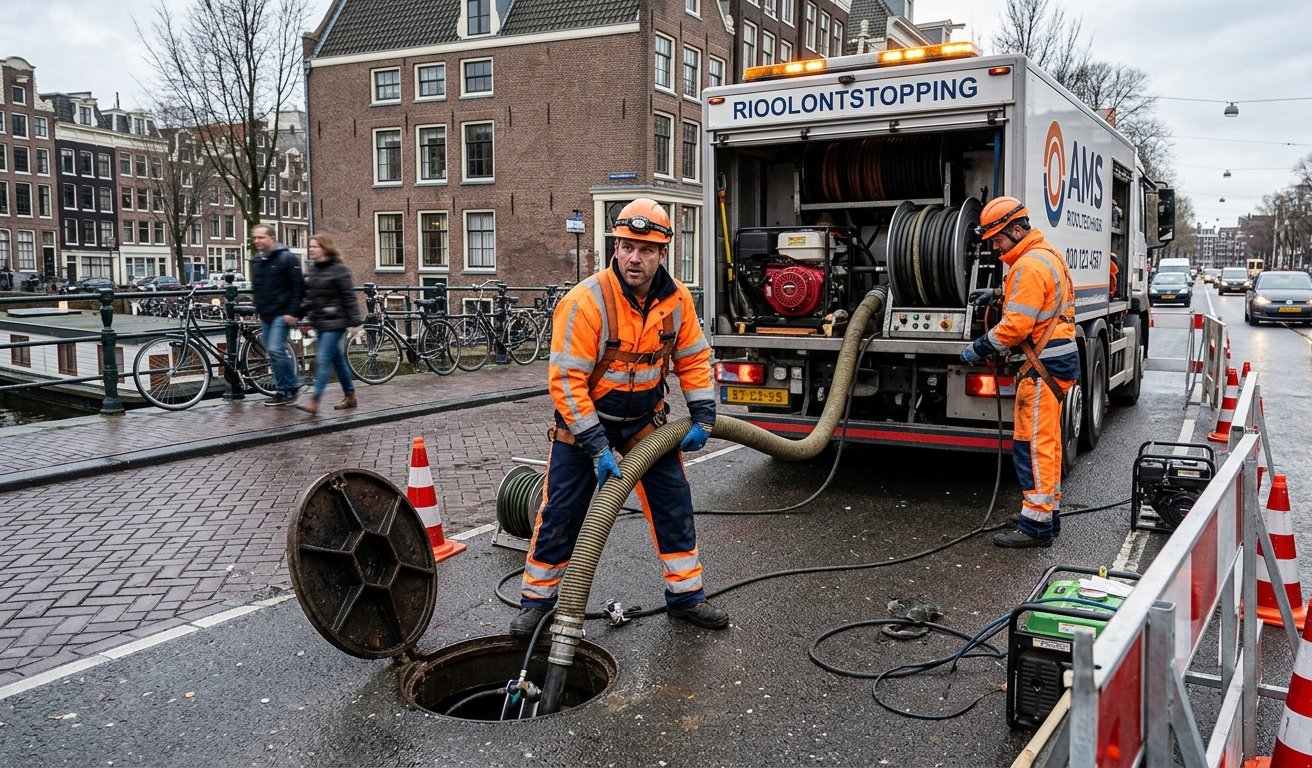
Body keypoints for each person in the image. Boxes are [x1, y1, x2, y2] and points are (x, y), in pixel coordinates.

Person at [510, 198, 725, 637]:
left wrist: (703, 415)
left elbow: (694, 358)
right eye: (627, 246)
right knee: (563, 513)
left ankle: (686, 596)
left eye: (645, 250)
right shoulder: (586, 302)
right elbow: (567, 382)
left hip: (646, 423)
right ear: (615, 246)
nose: (634, 257)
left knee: (673, 505)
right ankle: (537, 603)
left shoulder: (677, 300)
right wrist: (596, 446)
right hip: (586, 427)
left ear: (663, 253)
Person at [961, 196, 1080, 548]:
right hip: (1053, 362)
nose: (996, 248)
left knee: (1032, 444)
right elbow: (1036, 296)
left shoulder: (1029, 265)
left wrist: (978, 347)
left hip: (1042, 366)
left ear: (1017, 230)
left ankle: (1037, 526)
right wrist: (996, 292)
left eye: (998, 240)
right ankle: (1045, 512)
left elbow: (1014, 328)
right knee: (1048, 441)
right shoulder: (1046, 255)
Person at [295, 235, 361, 414]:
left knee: (322, 359)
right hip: (321, 322)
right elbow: (309, 298)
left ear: (325, 248)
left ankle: (314, 400)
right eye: (310, 247)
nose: (311, 249)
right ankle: (350, 396)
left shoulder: (339, 270)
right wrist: (296, 315)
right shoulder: (312, 269)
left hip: (336, 321)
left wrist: (355, 321)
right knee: (337, 360)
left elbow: (349, 296)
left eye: (315, 246)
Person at [250, 224, 304, 406]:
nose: (256, 240)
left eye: (261, 237)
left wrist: (293, 312)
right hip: (267, 314)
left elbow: (298, 286)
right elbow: (258, 288)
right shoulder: (257, 260)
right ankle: (282, 391)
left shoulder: (286, 258)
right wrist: (258, 307)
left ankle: (292, 384)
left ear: (272, 238)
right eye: (255, 237)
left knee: (274, 349)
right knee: (272, 354)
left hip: (283, 313)